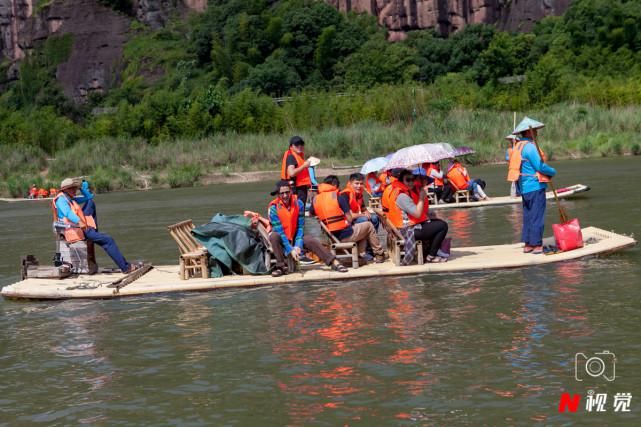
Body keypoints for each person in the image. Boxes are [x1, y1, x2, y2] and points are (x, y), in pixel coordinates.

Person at [53, 178, 139, 273]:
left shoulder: (69, 198)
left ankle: (94, 233)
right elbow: (68, 213)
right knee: (108, 240)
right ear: (64, 190)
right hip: (75, 230)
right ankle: (126, 267)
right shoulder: (61, 200)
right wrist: (79, 221)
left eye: (75, 188)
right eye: (71, 188)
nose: (74, 190)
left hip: (81, 227)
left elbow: (89, 197)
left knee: (90, 203)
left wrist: (82, 188)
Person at [268, 180, 347, 277]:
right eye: (282, 193)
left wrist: (297, 245)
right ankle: (280, 267)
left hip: (295, 236)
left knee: (310, 240)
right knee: (274, 236)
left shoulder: (299, 204)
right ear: (278, 195)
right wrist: (290, 249)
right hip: (282, 239)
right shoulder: (273, 209)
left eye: (287, 192)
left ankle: (334, 262)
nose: (285, 195)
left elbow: (300, 227)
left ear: (291, 192)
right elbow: (280, 232)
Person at [508, 117, 556, 254]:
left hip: (524, 187)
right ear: (528, 132)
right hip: (535, 186)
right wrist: (553, 171)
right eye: (534, 130)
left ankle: (528, 243)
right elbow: (539, 166)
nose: (536, 133)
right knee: (537, 216)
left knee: (529, 215)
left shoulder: (518, 146)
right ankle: (537, 245)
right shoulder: (529, 147)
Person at [312, 175, 386, 263]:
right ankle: (379, 254)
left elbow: (311, 213)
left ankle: (362, 253)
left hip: (332, 236)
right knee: (369, 225)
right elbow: (350, 219)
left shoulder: (316, 199)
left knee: (366, 223)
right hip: (345, 235)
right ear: (335, 186)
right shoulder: (339, 197)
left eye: (361, 184)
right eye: (356, 183)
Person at [382, 169, 449, 264]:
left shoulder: (409, 192)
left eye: (413, 179)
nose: (411, 182)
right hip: (407, 231)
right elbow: (417, 214)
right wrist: (421, 198)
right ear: (402, 181)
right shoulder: (401, 196)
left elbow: (420, 213)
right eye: (408, 180)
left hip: (411, 226)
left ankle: (432, 252)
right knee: (442, 226)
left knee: (439, 223)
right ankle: (431, 256)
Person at [280, 136, 312, 206]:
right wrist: (304, 166)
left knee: (300, 209)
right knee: (298, 210)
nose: (300, 146)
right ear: (291, 146)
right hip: (296, 189)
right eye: (297, 144)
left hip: (300, 187)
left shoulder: (299, 156)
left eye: (301, 144)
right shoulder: (291, 157)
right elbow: (291, 173)